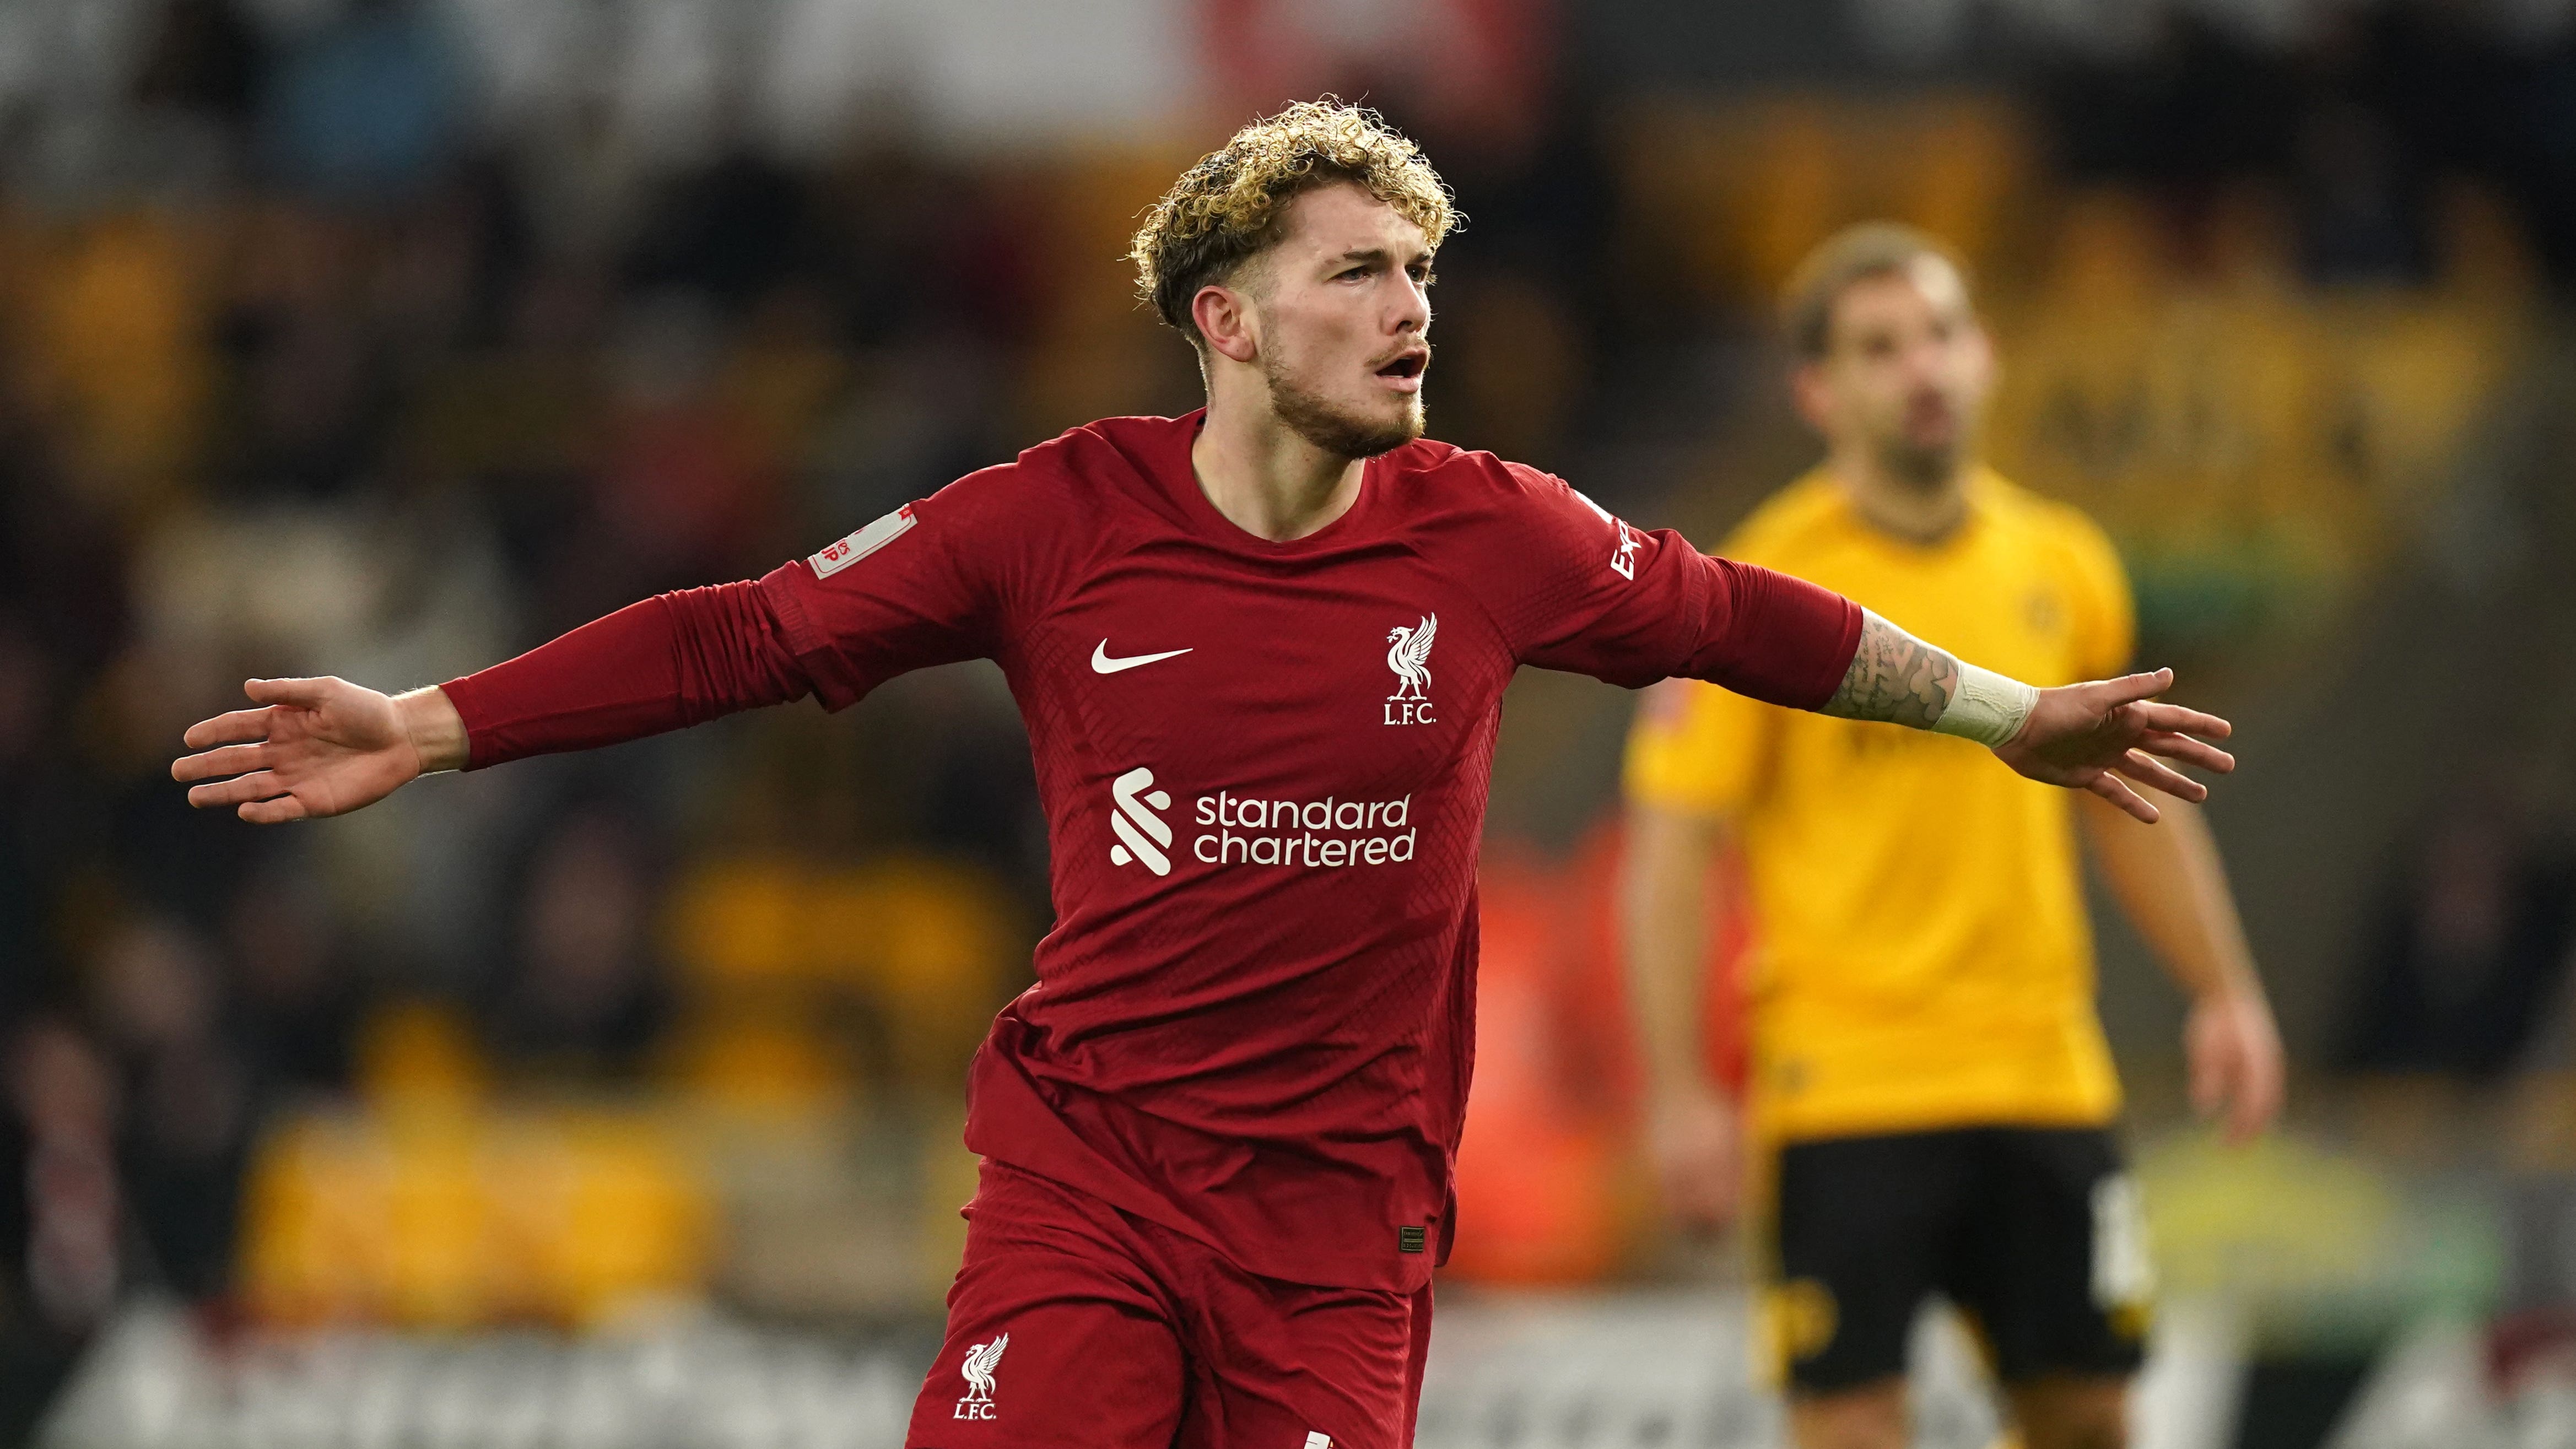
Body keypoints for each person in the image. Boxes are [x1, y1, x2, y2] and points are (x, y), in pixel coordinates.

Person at [174, 107, 2235, 1449]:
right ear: (1224, 319)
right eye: (1360, 272)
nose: (1412, 308)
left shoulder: (1496, 529)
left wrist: (2005, 714)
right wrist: (435, 721)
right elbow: (746, 633)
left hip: (1344, 1238)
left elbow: (1746, 621)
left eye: (1421, 274)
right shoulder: (1050, 518)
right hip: (1094, 1182)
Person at [1620, 222, 2285, 1449]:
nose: (1920, 369)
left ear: (1982, 356)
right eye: (1880, 348)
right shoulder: (1757, 591)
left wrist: (2222, 989)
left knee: (2089, 1415)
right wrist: (1677, 1093)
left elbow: (2128, 805)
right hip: (1844, 1083)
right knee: (1852, 1425)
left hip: (2042, 1067)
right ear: (1818, 393)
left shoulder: (2063, 562)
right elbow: (1670, 849)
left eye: (1938, 335)